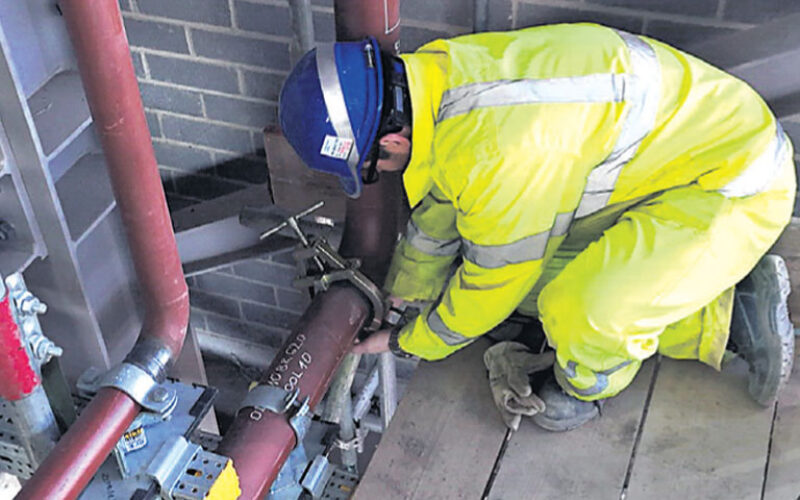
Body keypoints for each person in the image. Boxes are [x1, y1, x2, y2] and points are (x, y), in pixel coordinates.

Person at [278, 24, 796, 432]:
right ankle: (717, 296)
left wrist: (410, 341)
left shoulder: (498, 153)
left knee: (581, 311)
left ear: (391, 143)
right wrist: (405, 292)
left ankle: (611, 376)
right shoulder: (438, 77)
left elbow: (492, 284)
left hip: (736, 187)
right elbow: (443, 203)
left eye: (374, 169)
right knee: (532, 289)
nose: (383, 174)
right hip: (673, 170)